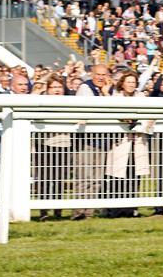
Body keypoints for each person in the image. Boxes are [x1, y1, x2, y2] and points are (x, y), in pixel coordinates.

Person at [105, 71, 151, 218]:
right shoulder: (117, 97)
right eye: (128, 82)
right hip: (121, 142)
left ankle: (132, 210)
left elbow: (148, 115)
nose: (131, 85)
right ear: (122, 83)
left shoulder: (141, 97)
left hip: (137, 142)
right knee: (117, 177)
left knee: (134, 177)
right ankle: (115, 210)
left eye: (133, 82)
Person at [72, 65, 113, 220]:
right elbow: (97, 111)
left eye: (104, 74)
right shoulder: (85, 88)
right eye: (98, 74)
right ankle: (78, 213)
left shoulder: (106, 90)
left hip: (102, 141)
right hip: (86, 142)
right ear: (92, 75)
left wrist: (105, 93)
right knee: (84, 179)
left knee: (96, 181)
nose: (101, 77)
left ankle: (88, 214)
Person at [34, 75, 71, 221]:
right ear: (48, 89)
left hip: (63, 144)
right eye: (54, 87)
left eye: (59, 87)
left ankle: (58, 212)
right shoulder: (41, 100)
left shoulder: (68, 101)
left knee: (59, 179)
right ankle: (44, 213)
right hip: (45, 144)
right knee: (44, 179)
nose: (57, 90)